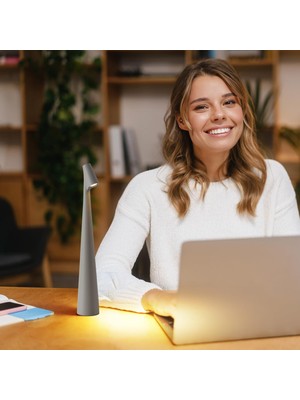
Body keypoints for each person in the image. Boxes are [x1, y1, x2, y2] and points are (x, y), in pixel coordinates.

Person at [95, 58, 300, 317]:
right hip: (182, 327)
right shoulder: (147, 188)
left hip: (259, 324)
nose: (218, 115)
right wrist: (158, 298)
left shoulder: (272, 178)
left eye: (229, 102)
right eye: (202, 106)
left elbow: (293, 272)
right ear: (183, 120)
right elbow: (102, 276)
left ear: (242, 111)